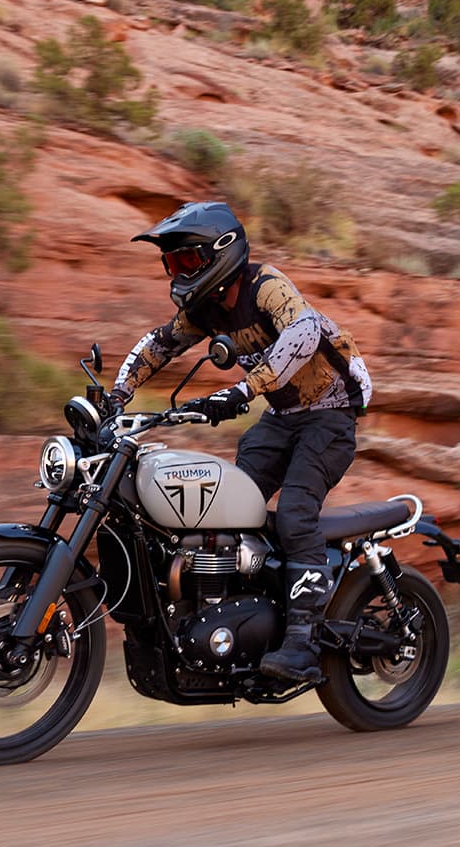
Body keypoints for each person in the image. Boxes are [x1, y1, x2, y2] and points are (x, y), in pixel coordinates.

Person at [111, 201, 372, 684]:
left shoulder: (265, 284)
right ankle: (240, 620)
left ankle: (302, 644)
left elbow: (304, 328)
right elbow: (159, 344)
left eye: (188, 260)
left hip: (330, 416)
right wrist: (114, 397)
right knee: (229, 510)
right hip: (280, 417)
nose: (179, 271)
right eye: (173, 264)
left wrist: (244, 389)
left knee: (295, 511)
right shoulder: (205, 309)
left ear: (221, 253)